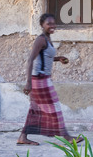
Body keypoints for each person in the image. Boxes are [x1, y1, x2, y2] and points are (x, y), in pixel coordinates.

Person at [17, 13, 81, 145]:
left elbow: (45, 56)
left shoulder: (47, 38)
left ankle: (23, 137)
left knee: (35, 109)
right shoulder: (41, 39)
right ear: (42, 25)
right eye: (48, 24)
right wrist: (28, 82)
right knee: (54, 107)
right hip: (39, 80)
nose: (52, 26)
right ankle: (67, 137)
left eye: (53, 23)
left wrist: (58, 58)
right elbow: (30, 60)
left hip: (43, 79)